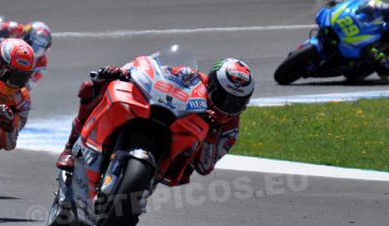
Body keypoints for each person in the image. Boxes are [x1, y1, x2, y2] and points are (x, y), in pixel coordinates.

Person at [55, 55, 254, 182]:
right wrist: (123, 72)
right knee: (94, 87)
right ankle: (70, 147)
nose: (227, 108)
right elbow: (155, 71)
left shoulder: (230, 129)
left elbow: (204, 167)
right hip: (170, 119)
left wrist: (212, 134)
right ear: (210, 84)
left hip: (176, 158)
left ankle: (137, 191)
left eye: (235, 103)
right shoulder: (191, 77)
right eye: (222, 98)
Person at [22, 21, 52, 85]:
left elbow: (30, 84)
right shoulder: (15, 32)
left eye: (39, 47)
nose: (35, 50)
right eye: (33, 44)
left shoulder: (41, 64)